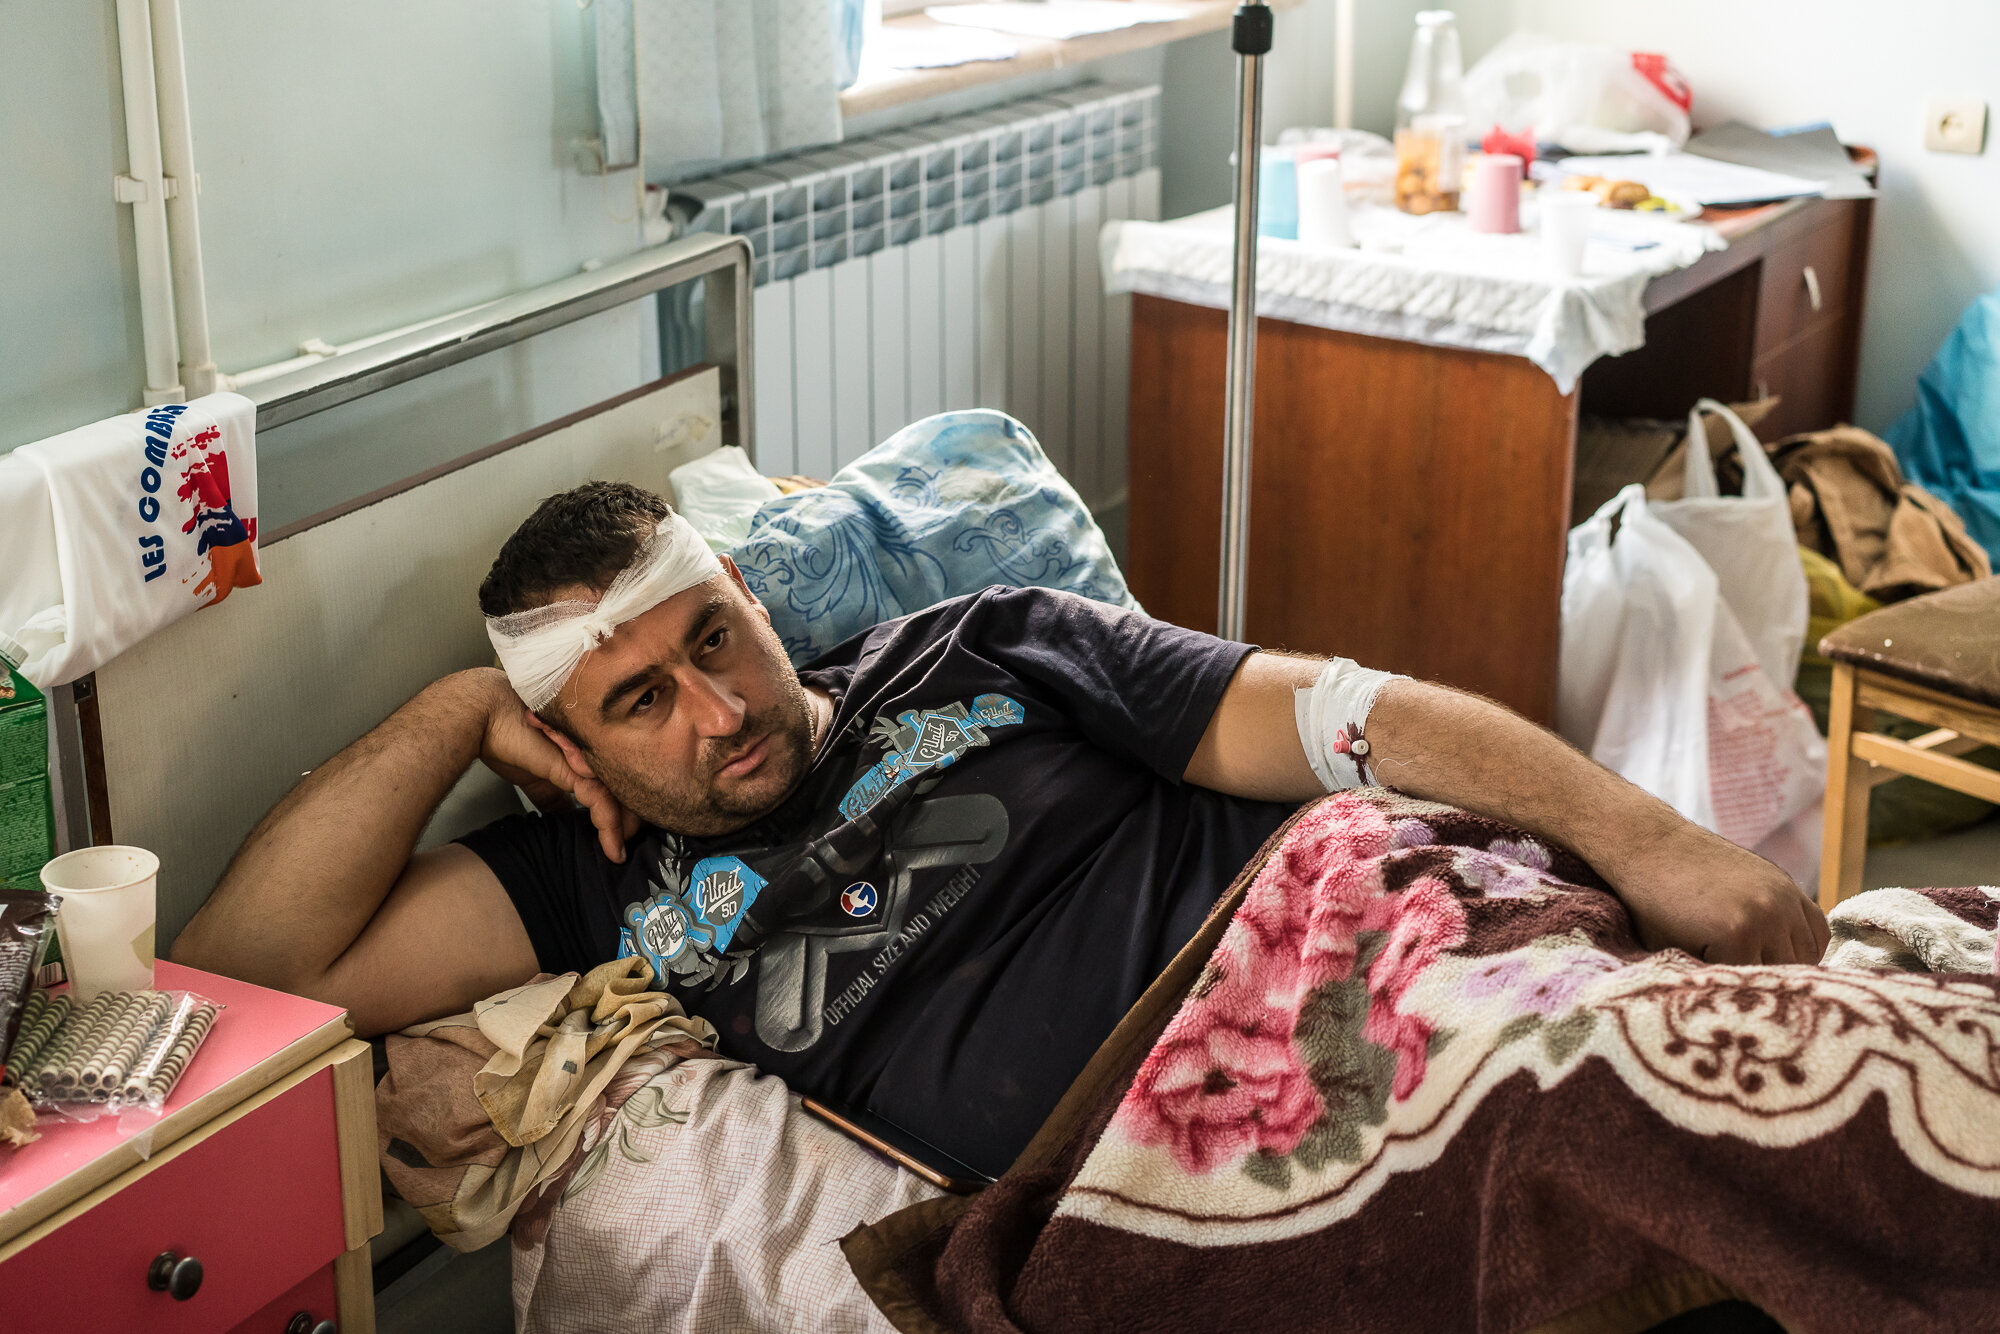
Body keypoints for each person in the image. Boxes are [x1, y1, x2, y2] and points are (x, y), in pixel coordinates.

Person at [173, 482, 1829, 1179]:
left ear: (747, 595)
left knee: (1743, 1101)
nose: (715, 709)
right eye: (635, 705)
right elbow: (249, 969)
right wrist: (455, 718)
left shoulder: (987, 641)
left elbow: (1352, 714)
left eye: (708, 641)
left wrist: (1646, 836)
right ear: (565, 739)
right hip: (1143, 1153)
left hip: (1348, 940)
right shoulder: (592, 883)